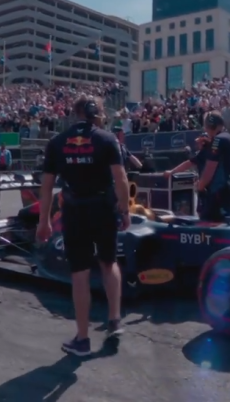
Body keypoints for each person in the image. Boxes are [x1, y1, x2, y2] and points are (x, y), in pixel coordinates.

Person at [36, 96, 131, 356]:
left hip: (75, 211)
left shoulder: (57, 142)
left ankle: (82, 338)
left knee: (80, 272)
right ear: (95, 112)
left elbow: (46, 187)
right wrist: (124, 209)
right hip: (103, 208)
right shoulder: (107, 138)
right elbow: (121, 179)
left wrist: (44, 221)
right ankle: (114, 319)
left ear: (75, 113)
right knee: (109, 261)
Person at [168, 111, 230, 223]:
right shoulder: (227, 137)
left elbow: (210, 168)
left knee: (209, 228)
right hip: (227, 188)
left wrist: (200, 186)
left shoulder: (218, 140)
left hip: (217, 191)